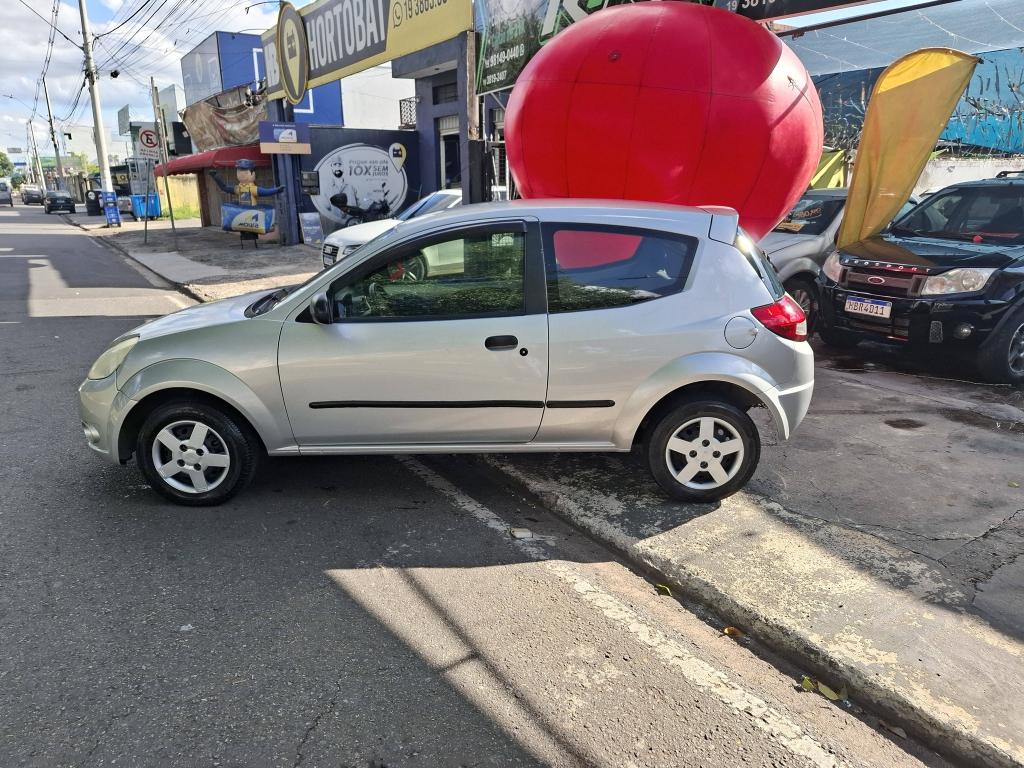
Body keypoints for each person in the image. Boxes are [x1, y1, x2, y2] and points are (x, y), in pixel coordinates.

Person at [209, 159, 283, 205]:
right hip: (242, 213)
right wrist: (215, 177)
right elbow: (224, 188)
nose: (242, 175)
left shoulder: (253, 189)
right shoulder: (238, 188)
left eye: (245, 172)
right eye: (239, 172)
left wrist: (277, 190)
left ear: (253, 174)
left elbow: (265, 192)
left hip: (252, 213)